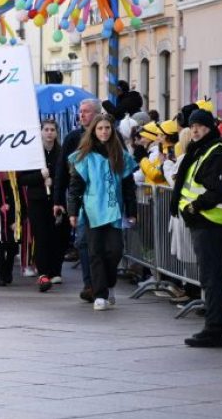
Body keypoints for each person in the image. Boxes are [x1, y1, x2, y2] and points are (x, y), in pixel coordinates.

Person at [171, 106, 222, 348]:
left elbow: (216, 190)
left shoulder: (215, 151)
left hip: (210, 221)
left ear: (209, 127)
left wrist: (192, 207)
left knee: (211, 278)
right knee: (209, 276)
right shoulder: (201, 150)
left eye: (200, 125)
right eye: (192, 126)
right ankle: (214, 327)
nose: (195, 129)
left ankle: (215, 329)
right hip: (203, 221)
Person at [67, 114, 137, 312]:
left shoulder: (121, 155)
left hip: (114, 210)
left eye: (107, 127)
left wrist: (132, 211)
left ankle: (109, 283)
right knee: (95, 252)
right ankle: (100, 294)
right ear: (94, 131)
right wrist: (72, 211)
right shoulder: (85, 156)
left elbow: (128, 186)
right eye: (100, 128)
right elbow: (76, 186)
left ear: (112, 130)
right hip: (92, 210)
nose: (104, 131)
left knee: (114, 251)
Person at [54, 97, 100, 300]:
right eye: (80, 111)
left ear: (97, 114)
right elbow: (61, 171)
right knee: (82, 241)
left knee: (106, 245)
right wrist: (58, 199)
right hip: (81, 199)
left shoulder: (108, 137)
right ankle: (90, 284)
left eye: (86, 111)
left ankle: (103, 282)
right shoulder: (73, 138)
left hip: (104, 200)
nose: (82, 115)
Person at [22, 119, 62, 292]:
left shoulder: (60, 152)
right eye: (46, 129)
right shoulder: (34, 154)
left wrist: (54, 180)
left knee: (56, 236)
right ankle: (43, 272)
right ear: (41, 132)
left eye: (52, 129)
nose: (49, 133)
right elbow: (22, 179)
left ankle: (55, 271)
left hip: (55, 201)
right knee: (41, 236)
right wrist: (40, 176)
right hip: (37, 200)